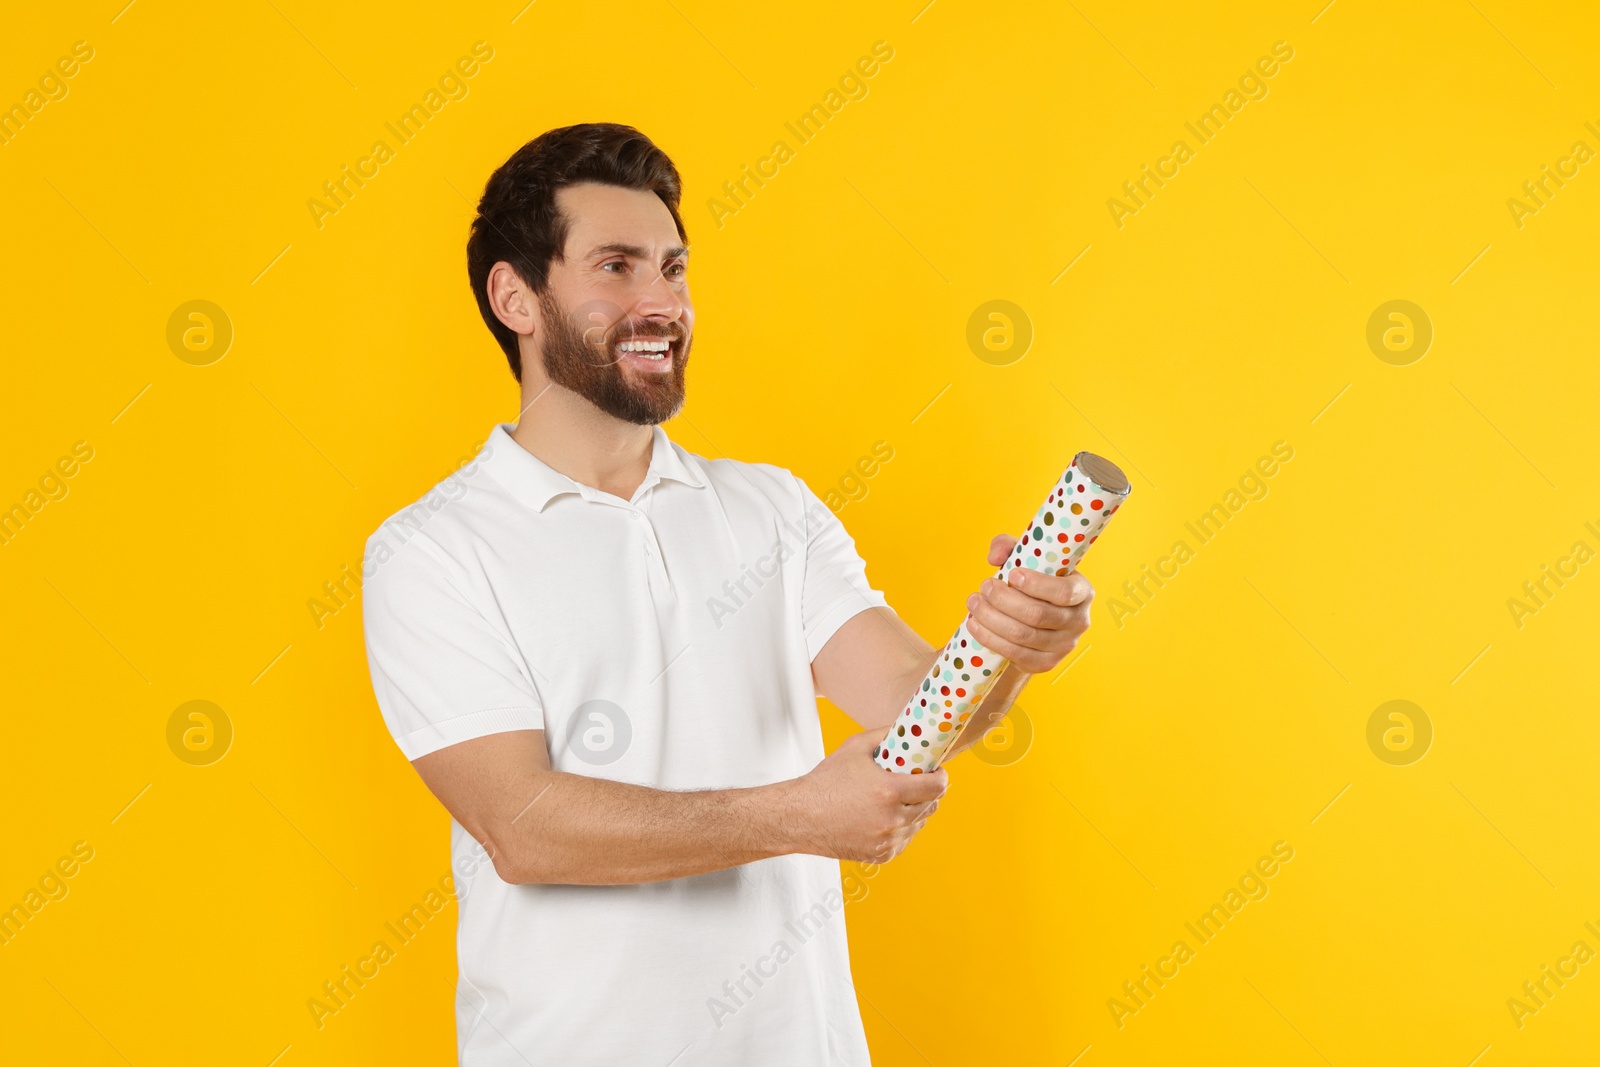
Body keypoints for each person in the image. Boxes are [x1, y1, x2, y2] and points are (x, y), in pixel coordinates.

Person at [360, 122, 1095, 1066]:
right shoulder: (432, 551)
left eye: (674, 268)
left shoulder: (771, 510)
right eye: (617, 266)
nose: (661, 301)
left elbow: (921, 709)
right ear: (517, 298)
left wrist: (1009, 639)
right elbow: (524, 827)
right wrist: (796, 813)